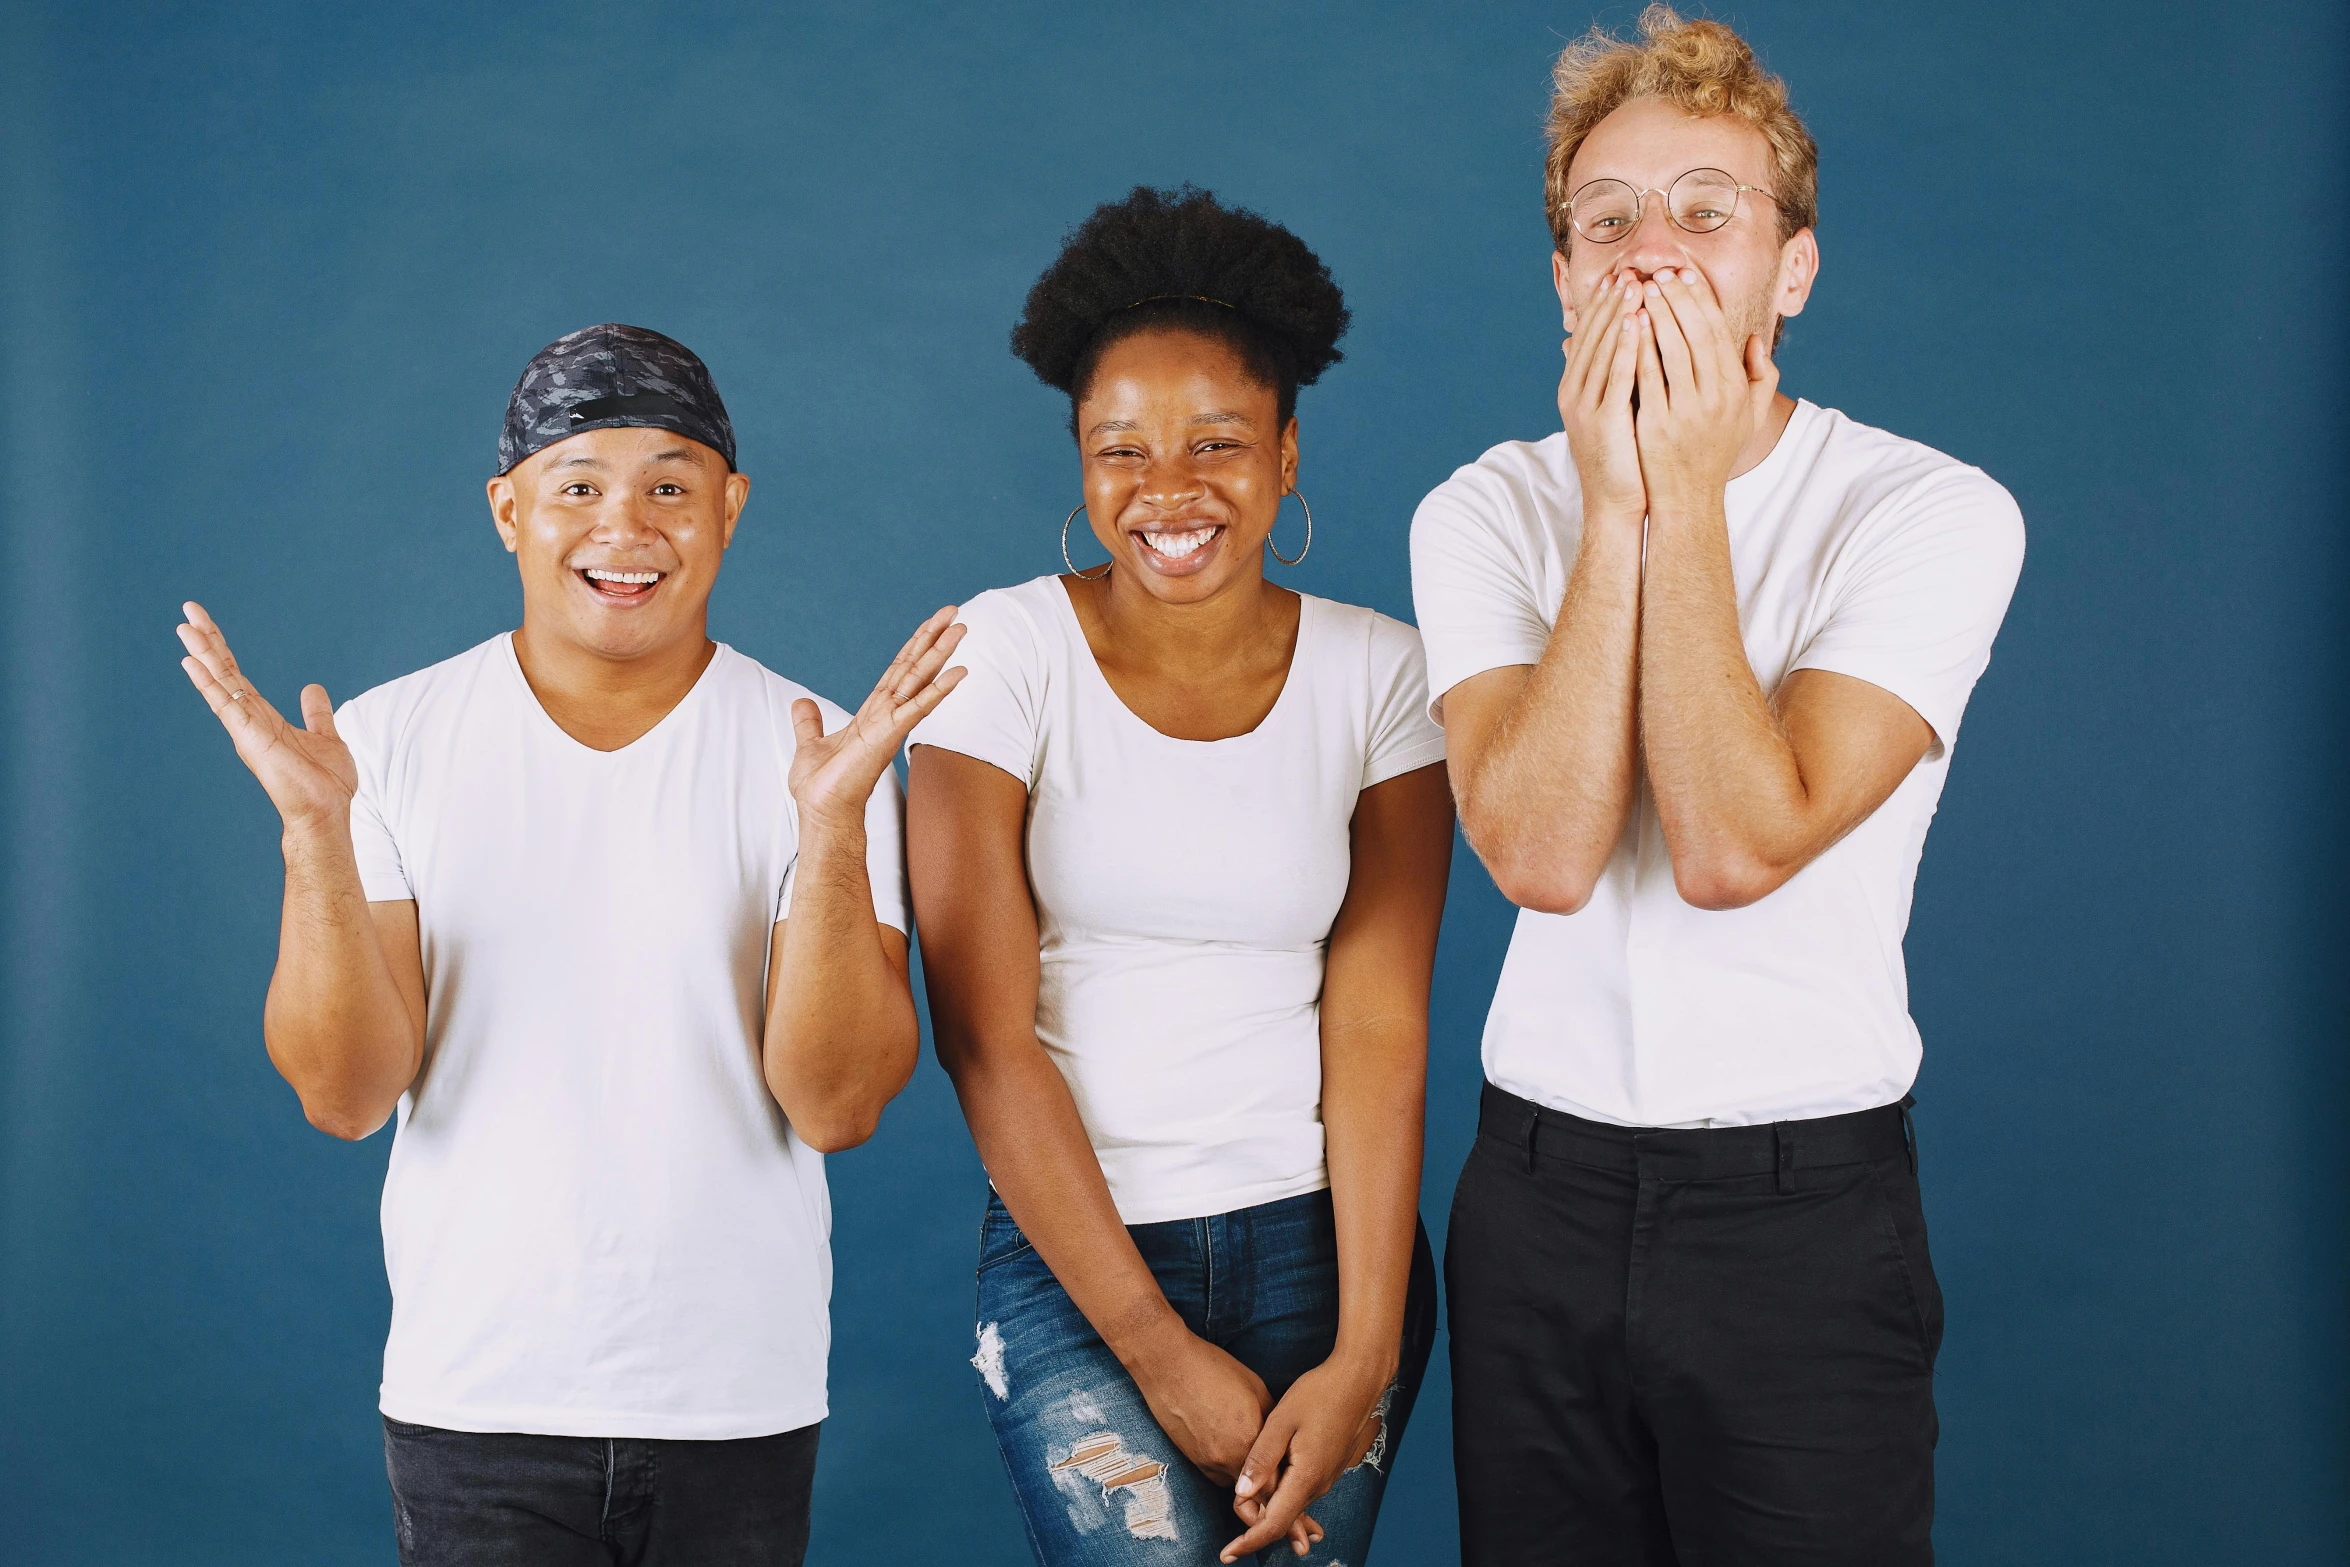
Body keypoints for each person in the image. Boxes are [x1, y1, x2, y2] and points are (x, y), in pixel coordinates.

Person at [175, 323, 964, 1567]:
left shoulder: (824, 752)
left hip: (738, 1400)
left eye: (669, 486)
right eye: (578, 486)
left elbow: (839, 1100)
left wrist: (829, 828)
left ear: (731, 505)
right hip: (478, 1398)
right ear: (506, 509)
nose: (626, 528)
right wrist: (316, 834)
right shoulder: (381, 744)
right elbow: (344, 1093)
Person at [1410, 10, 2026, 1565]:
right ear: (1561, 277)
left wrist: (1674, 487)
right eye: (1604, 220)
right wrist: (1607, 500)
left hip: (1797, 1213)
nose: (1649, 253)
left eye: (1705, 210)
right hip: (1533, 1196)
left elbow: (1737, 839)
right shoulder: (1484, 507)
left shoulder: (1928, 512)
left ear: (1789, 267)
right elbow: (1541, 855)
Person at [906, 187, 1453, 1566]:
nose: (1168, 489)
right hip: (1078, 1262)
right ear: (1081, 464)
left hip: (1328, 1253)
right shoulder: (1002, 654)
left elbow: (1380, 1025)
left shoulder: (1383, 674)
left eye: (1216, 441)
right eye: (1120, 449)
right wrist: (1152, 1346)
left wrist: (1367, 1350)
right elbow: (981, 1033)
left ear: (1283, 451)